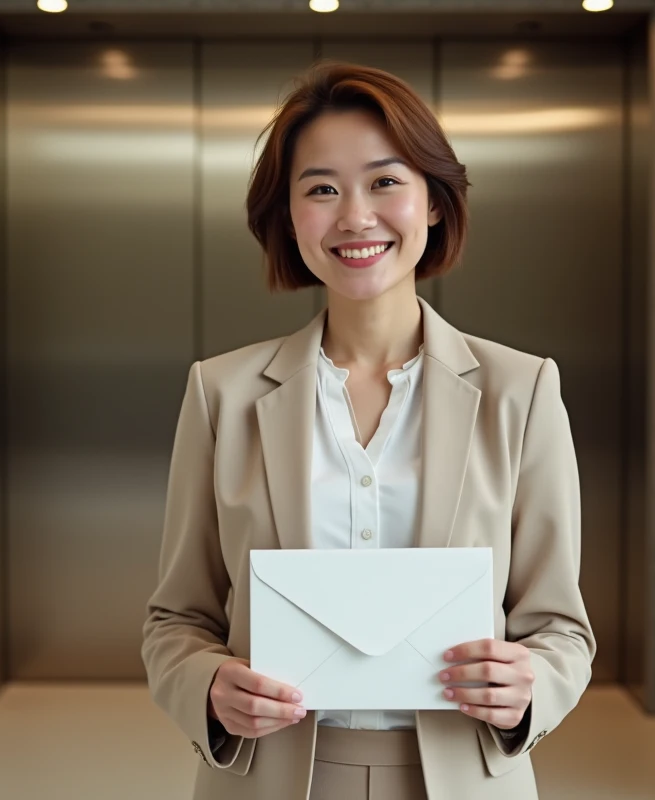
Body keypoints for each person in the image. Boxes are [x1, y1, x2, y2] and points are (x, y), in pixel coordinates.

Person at [141, 62, 595, 800]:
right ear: (288, 216)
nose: (355, 217)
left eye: (386, 182)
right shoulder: (220, 393)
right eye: (321, 189)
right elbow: (176, 618)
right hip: (270, 781)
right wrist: (206, 686)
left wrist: (532, 683)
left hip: (465, 778)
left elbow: (560, 628)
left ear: (435, 203)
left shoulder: (522, 390)